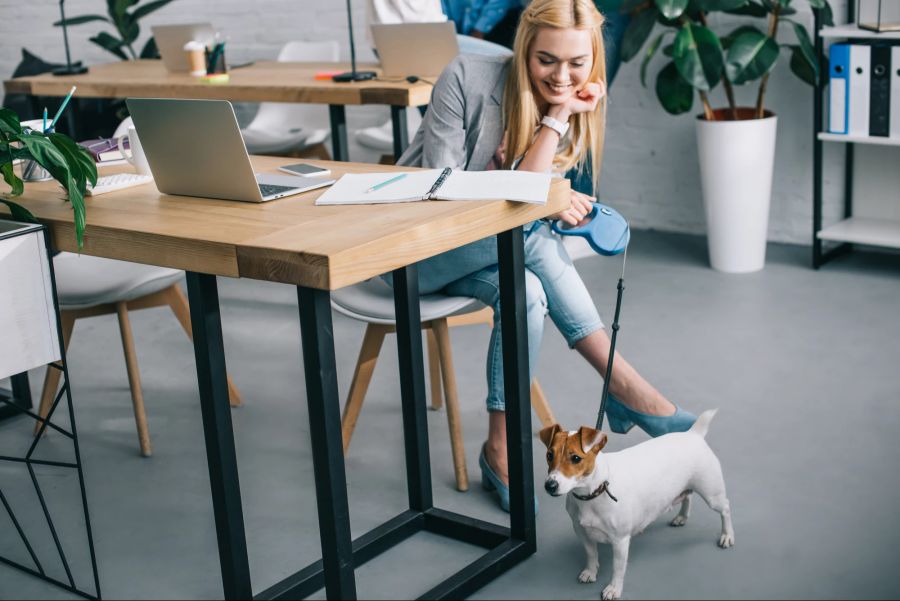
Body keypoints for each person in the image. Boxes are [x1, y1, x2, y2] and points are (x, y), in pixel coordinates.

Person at [395, 0, 699, 512]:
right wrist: (537, 197)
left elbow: (526, 197)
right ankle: (624, 384)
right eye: (546, 61)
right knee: (531, 234)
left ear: (593, 61)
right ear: (524, 49)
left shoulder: (574, 105)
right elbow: (439, 196)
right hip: (413, 252)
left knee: (529, 286)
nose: (561, 77)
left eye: (577, 64)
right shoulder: (465, 75)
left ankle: (500, 447)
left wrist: (555, 119)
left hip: (490, 258)